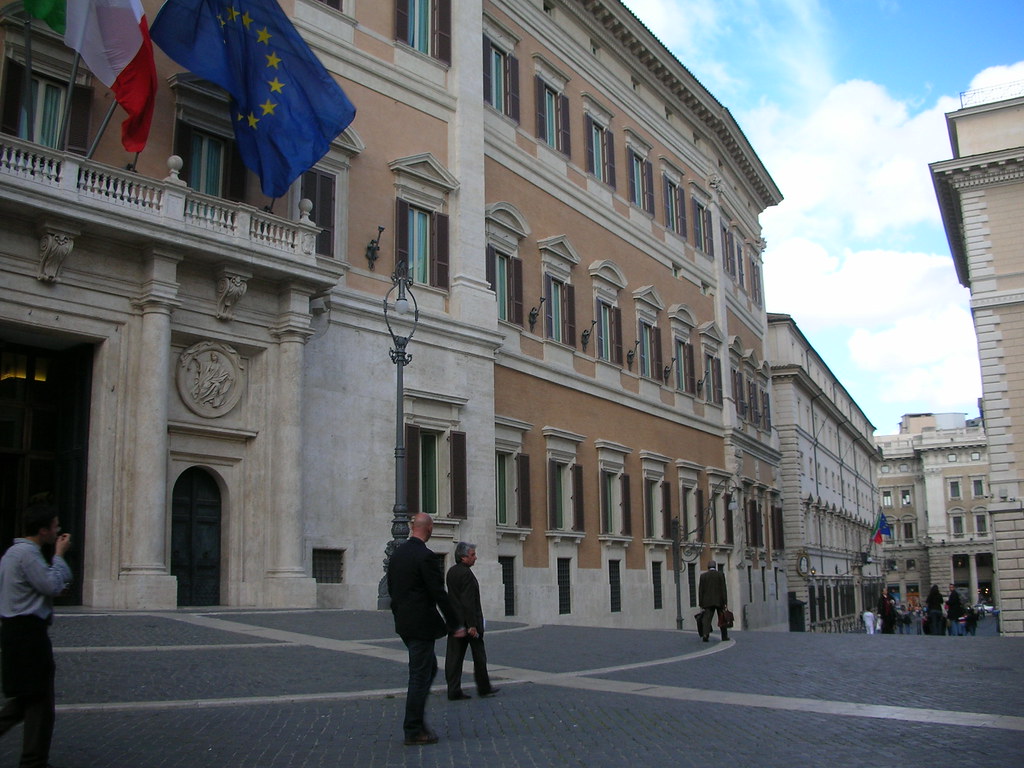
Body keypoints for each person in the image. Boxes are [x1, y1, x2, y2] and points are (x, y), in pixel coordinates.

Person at [0, 504, 73, 768]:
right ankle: (33, 761)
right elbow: (51, 584)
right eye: (55, 527)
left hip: (16, 630)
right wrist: (60, 555)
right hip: (28, 633)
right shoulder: (28, 554)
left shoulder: (13, 553)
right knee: (36, 699)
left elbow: (38, 587)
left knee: (28, 697)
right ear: (43, 530)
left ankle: (33, 760)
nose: (58, 531)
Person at [387, 513, 465, 746]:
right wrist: (455, 624)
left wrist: (398, 614)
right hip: (421, 624)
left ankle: (417, 724)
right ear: (429, 529)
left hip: (404, 622)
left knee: (428, 668)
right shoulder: (426, 557)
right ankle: (413, 728)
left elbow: (391, 588)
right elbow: (438, 593)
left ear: (412, 528)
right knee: (420, 674)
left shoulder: (398, 554)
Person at [444, 542, 499, 701]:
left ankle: (453, 689)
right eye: (472, 555)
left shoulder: (451, 572)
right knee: (479, 657)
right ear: (463, 557)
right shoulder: (466, 574)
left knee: (454, 658)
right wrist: (473, 625)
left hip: (455, 622)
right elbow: (468, 601)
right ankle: (484, 687)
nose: (475, 558)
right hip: (469, 624)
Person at [698, 559, 729, 642]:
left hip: (707, 602)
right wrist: (725, 602)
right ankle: (724, 636)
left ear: (708, 567)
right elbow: (723, 589)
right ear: (715, 567)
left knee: (707, 619)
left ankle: (705, 634)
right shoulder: (720, 575)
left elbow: (701, 590)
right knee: (722, 619)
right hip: (719, 601)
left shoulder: (703, 576)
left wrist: (701, 603)